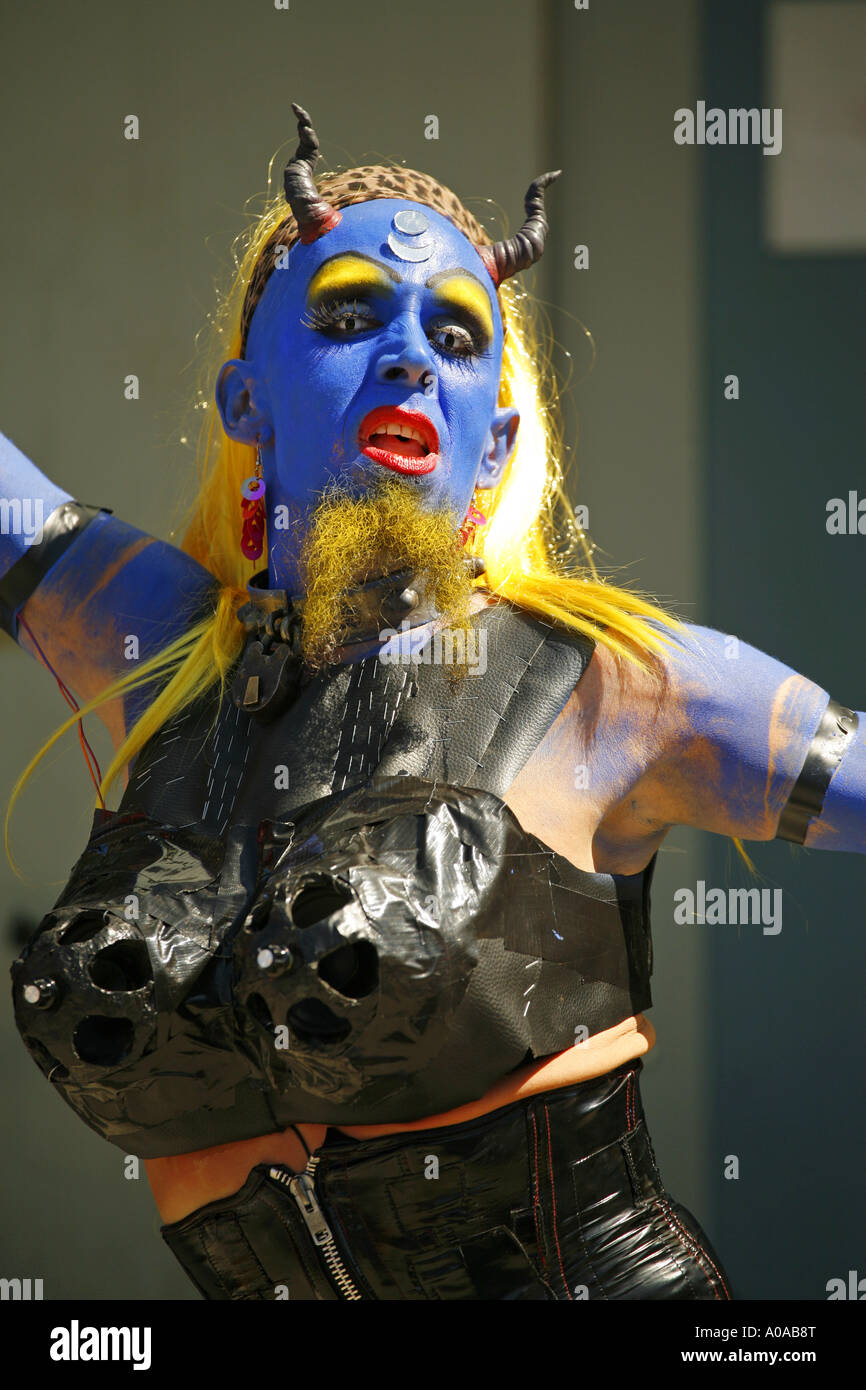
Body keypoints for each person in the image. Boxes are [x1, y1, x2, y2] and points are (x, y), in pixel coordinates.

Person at [3, 103, 863, 1302]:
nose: (408, 353)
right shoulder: (151, 649)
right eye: (350, 315)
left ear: (496, 440)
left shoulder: (616, 683)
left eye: (457, 336)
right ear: (244, 399)